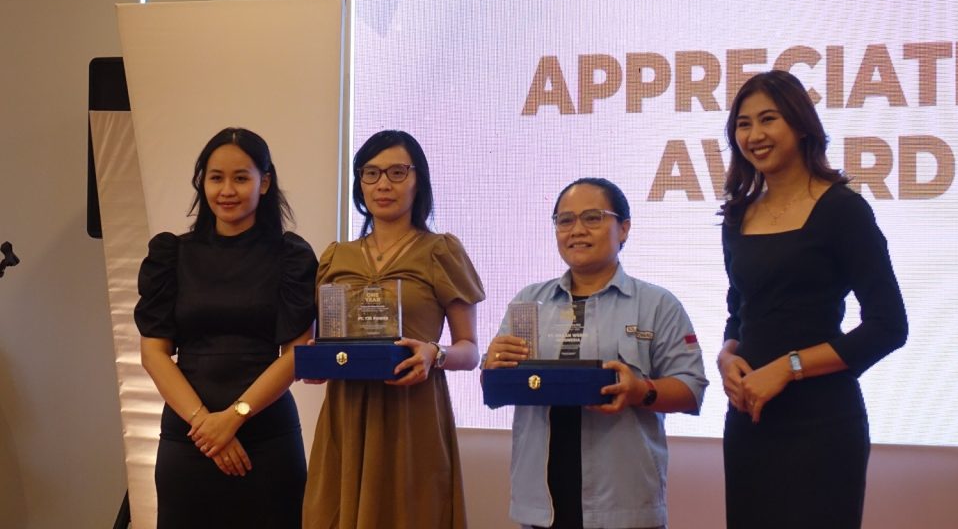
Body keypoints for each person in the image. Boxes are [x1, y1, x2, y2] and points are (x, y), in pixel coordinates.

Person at [716, 70, 909, 528]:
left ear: (801, 125)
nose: (755, 135)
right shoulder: (738, 214)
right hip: (750, 419)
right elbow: (740, 308)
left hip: (822, 424)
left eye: (768, 119)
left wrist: (789, 367)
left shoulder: (842, 209)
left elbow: (889, 326)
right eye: (743, 124)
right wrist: (727, 356)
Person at [485, 178, 708, 529]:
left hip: (623, 503)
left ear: (624, 228)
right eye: (565, 220)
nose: (577, 230)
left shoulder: (657, 304)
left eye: (592, 217)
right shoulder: (529, 301)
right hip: (542, 504)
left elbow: (691, 389)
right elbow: (497, 386)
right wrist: (493, 365)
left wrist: (641, 391)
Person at [135, 127, 317, 528]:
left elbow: (297, 354)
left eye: (241, 178)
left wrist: (233, 418)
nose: (227, 190)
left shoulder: (291, 256)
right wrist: (206, 424)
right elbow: (153, 353)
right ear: (202, 183)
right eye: (216, 178)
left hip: (268, 439)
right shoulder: (172, 254)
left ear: (264, 183)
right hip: (189, 438)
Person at [303, 130, 485, 529]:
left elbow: (470, 350)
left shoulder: (441, 250)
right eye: (371, 173)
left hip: (412, 415)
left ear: (419, 180)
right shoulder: (336, 256)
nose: (383, 184)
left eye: (397, 172)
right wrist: (315, 362)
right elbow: (316, 340)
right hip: (346, 414)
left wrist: (435, 354)